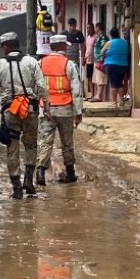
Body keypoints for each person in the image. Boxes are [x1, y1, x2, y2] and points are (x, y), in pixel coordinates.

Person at [0, 31, 51, 199]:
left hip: (10, 111)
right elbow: (42, 87)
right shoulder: (32, 62)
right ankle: (29, 181)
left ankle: (16, 188)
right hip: (30, 109)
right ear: (18, 44)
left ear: (5, 47)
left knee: (12, 147)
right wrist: (47, 108)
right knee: (31, 145)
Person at [36, 34, 83, 185]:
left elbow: (34, 87)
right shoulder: (69, 64)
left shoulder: (40, 63)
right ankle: (70, 173)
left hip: (46, 109)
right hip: (65, 108)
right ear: (63, 46)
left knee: (45, 141)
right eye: (66, 45)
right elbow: (76, 90)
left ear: (51, 47)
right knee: (67, 142)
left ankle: (40, 173)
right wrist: (79, 112)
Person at [100, 28, 130, 107]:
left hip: (111, 65)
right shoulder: (124, 43)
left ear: (111, 35)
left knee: (113, 83)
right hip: (123, 65)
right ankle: (121, 101)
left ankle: (114, 102)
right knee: (120, 83)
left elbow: (101, 52)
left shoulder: (109, 43)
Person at [91, 22, 108, 102]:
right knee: (97, 79)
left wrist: (102, 57)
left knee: (100, 79)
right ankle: (97, 95)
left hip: (100, 60)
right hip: (97, 59)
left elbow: (104, 48)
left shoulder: (103, 37)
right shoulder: (98, 37)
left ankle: (99, 96)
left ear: (98, 28)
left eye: (95, 27)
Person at [83, 22, 96, 100]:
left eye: (90, 28)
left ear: (93, 28)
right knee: (89, 77)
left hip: (94, 60)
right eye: (87, 28)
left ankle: (94, 94)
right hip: (88, 61)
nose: (88, 30)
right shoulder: (87, 37)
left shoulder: (95, 37)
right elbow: (86, 48)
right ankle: (91, 94)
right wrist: (84, 58)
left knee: (94, 78)